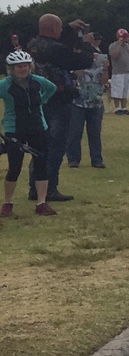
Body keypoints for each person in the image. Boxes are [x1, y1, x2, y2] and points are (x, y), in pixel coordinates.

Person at [28, 14, 95, 203]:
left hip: (38, 100)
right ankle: (50, 188)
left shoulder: (34, 44)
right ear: (53, 29)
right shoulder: (56, 50)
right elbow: (81, 60)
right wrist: (84, 42)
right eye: (59, 29)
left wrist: (67, 29)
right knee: (55, 146)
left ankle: (35, 187)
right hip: (58, 100)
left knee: (39, 146)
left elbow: (57, 44)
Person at [1, 50, 57, 216]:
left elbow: (51, 88)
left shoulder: (38, 81)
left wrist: (42, 101)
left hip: (39, 127)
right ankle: (7, 203)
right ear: (11, 68)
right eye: (19, 66)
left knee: (41, 164)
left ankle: (41, 203)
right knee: (14, 167)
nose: (23, 69)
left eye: (25, 66)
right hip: (15, 129)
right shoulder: (5, 85)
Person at [65, 31, 108, 170]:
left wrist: (106, 69)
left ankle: (97, 159)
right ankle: (73, 159)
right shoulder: (75, 61)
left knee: (95, 133)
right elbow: (70, 76)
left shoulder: (100, 61)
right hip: (78, 100)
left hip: (96, 101)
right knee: (75, 132)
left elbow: (103, 81)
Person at [108, 29, 129, 116]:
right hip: (118, 71)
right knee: (117, 90)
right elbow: (113, 56)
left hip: (128, 71)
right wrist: (119, 45)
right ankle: (117, 108)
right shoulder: (113, 45)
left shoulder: (128, 46)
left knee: (125, 90)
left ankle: (124, 108)